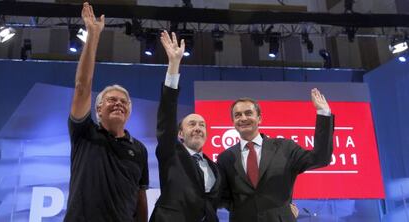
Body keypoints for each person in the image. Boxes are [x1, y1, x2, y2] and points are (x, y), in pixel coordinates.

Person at [64, 3, 148, 222]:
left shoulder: (139, 150)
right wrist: (93, 35)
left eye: (124, 102)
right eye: (112, 100)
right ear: (98, 108)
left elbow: (140, 198)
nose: (119, 104)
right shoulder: (83, 133)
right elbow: (83, 86)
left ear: (129, 111)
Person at [217, 89, 334, 222]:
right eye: (238, 115)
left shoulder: (285, 147)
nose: (243, 118)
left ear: (259, 118)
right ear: (233, 122)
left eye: (248, 113)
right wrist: (243, 210)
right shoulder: (225, 158)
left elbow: (320, 158)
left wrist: (323, 113)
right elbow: (223, 197)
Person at [149, 30, 221, 222]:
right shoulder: (171, 153)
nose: (198, 128)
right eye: (192, 124)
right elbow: (166, 115)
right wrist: (174, 65)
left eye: (202, 125)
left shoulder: (214, 168)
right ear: (180, 134)